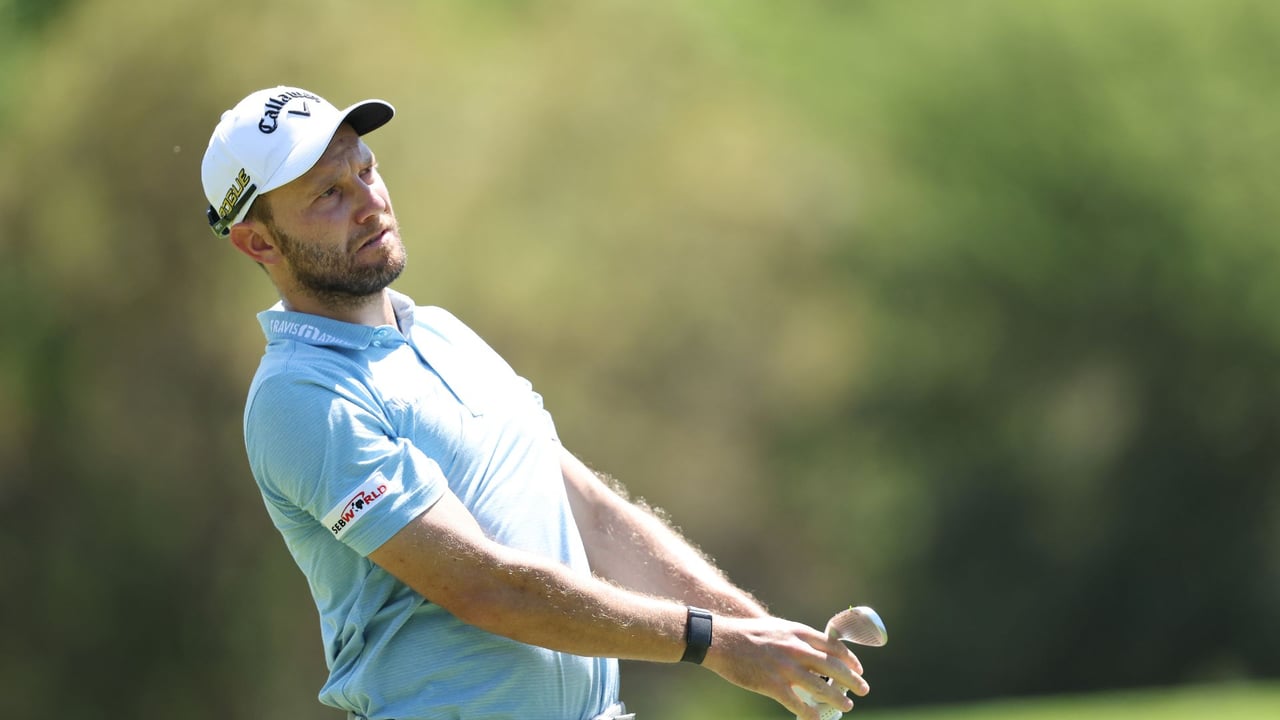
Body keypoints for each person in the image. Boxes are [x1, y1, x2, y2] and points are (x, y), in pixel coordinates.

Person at [201, 85, 870, 720]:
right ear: (258, 241)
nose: (368, 202)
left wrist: (761, 635)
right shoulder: (301, 396)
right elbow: (484, 588)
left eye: (367, 172)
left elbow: (592, 514)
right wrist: (714, 643)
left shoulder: (441, 331)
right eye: (328, 194)